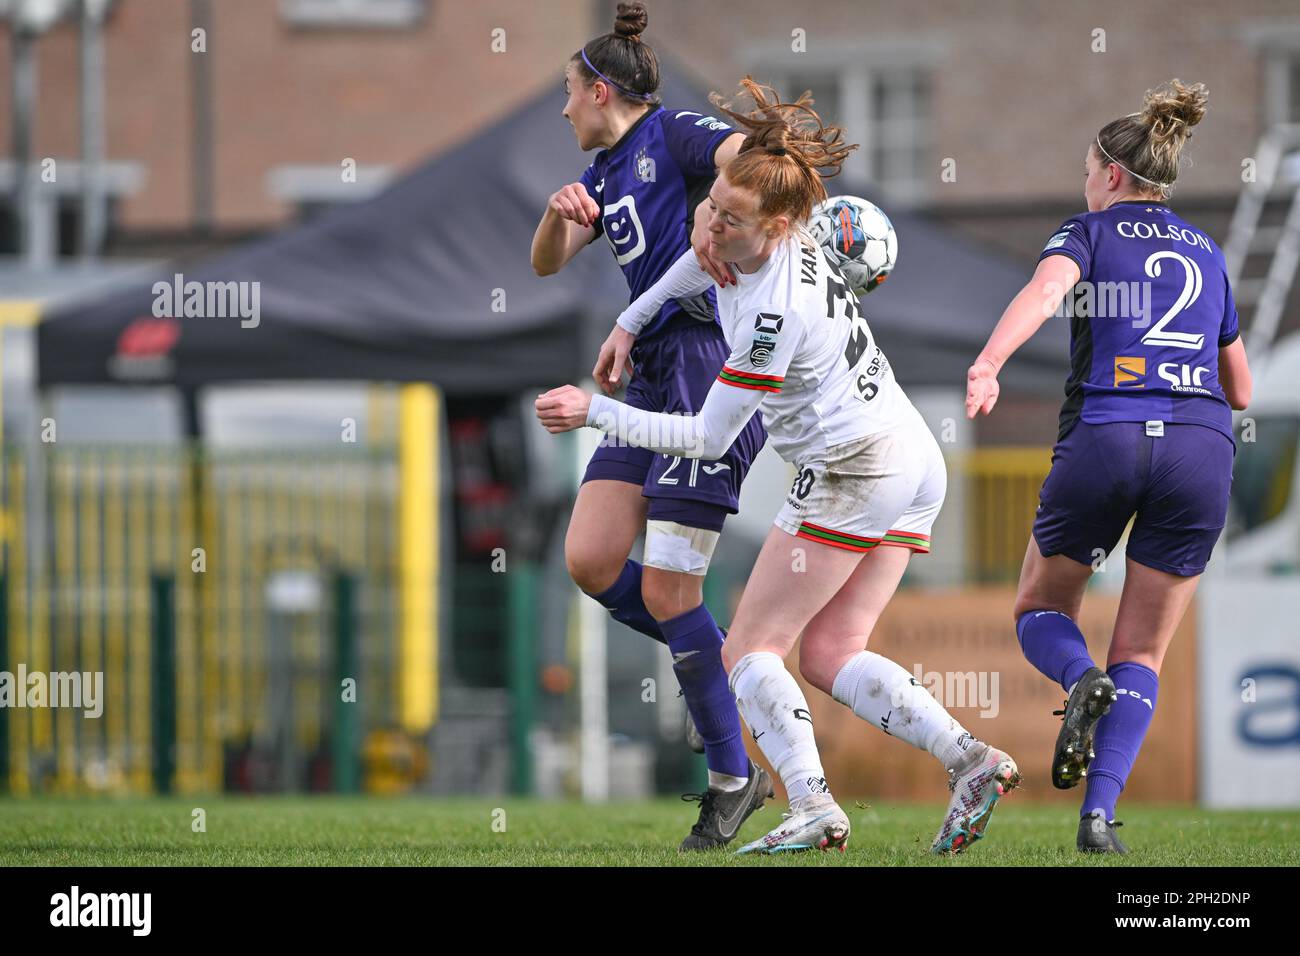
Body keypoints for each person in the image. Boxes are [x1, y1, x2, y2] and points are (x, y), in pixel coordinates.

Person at [538, 77, 1020, 855]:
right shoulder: (772, 234)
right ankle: (971, 760)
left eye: (730, 219)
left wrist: (590, 411)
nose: (712, 225)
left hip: (853, 469)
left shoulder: (773, 316)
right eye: (712, 205)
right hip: (905, 453)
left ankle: (813, 804)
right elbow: (703, 264)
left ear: (781, 226)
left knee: (748, 651)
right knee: (829, 655)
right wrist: (630, 321)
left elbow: (704, 436)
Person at [965, 79, 1251, 853]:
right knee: (1143, 653)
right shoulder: (1210, 250)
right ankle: (1098, 817)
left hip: (1108, 435)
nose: (1086, 185)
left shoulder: (1089, 233)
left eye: (1088, 170)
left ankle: (1077, 678)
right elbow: (1244, 387)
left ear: (1113, 177)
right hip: (1200, 446)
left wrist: (989, 364)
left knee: (1040, 610)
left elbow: (1044, 291)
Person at [529, 1, 769, 850]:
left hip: (707, 369)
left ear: (601, 90)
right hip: (649, 375)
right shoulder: (601, 173)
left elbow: (753, 158)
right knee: (592, 560)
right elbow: (545, 260)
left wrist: (722, 216)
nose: (563, 110)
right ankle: (723, 661)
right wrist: (561, 212)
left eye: (569, 93)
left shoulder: (672, 135)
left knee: (671, 590)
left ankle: (733, 773)